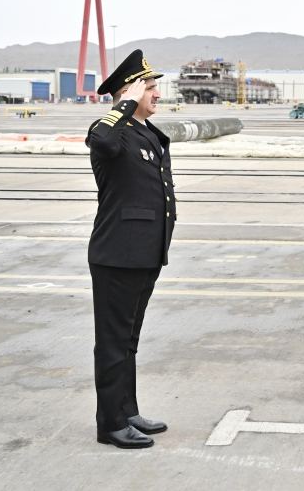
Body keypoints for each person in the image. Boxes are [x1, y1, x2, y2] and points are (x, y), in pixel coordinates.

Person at [85, 49, 176, 449]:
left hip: (143, 253)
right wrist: (124, 102)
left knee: (129, 341)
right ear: (130, 91)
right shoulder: (111, 132)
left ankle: (128, 410)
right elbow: (102, 139)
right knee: (113, 342)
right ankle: (110, 424)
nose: (157, 94)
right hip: (117, 255)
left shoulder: (144, 133)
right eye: (149, 88)